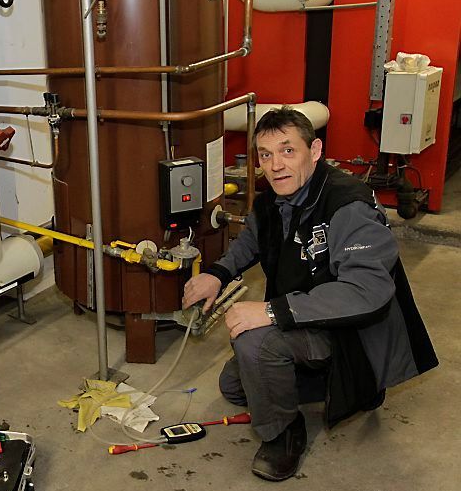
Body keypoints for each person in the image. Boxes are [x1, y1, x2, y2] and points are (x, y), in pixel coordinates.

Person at [182, 106, 437, 482]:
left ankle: (284, 434)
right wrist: (218, 275)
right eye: (266, 155)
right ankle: (319, 382)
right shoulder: (272, 199)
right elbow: (252, 240)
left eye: (288, 151)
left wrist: (270, 312)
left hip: (348, 329)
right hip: (301, 314)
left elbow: (367, 291)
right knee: (234, 388)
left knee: (256, 345)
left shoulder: (347, 204)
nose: (276, 165)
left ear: (314, 151)